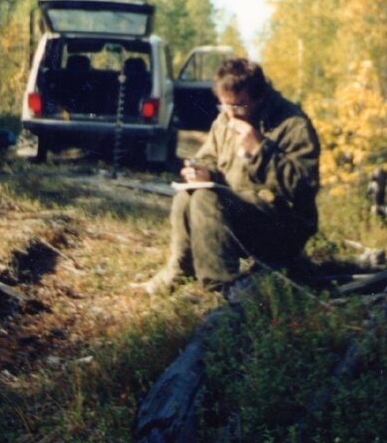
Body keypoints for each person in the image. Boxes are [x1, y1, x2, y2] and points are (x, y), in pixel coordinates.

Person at [137, 58, 321, 294]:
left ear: (260, 96)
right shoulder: (226, 120)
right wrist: (200, 171)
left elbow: (304, 187)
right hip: (240, 213)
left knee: (205, 198)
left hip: (282, 227)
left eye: (239, 106)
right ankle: (181, 270)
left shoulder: (292, 124)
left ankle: (220, 288)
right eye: (225, 106)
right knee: (188, 195)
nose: (231, 114)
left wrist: (260, 150)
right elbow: (208, 157)